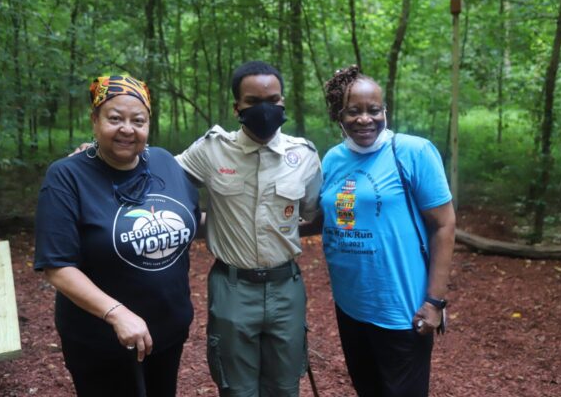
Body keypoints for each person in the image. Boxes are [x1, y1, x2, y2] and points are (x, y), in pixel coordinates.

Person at [35, 75, 200, 397]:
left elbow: (193, 219)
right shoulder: (67, 176)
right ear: (94, 120)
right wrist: (117, 313)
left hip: (167, 332)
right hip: (100, 340)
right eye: (115, 118)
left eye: (138, 120)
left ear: (149, 124)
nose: (127, 128)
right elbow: (58, 266)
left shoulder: (165, 163)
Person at [175, 60, 322, 396]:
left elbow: (311, 210)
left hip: (286, 287)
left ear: (283, 101)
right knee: (236, 388)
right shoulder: (211, 151)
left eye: (273, 99)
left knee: (285, 386)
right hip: (232, 287)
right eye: (253, 102)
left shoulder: (305, 156)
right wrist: (94, 156)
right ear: (237, 106)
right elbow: (159, 177)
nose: (265, 108)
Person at [319, 65, 456, 397]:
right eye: (354, 111)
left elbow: (444, 224)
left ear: (385, 111)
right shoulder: (333, 159)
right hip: (351, 304)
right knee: (368, 389)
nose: (365, 119)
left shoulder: (412, 152)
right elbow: (322, 215)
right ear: (339, 115)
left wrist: (434, 302)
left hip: (401, 308)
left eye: (374, 110)